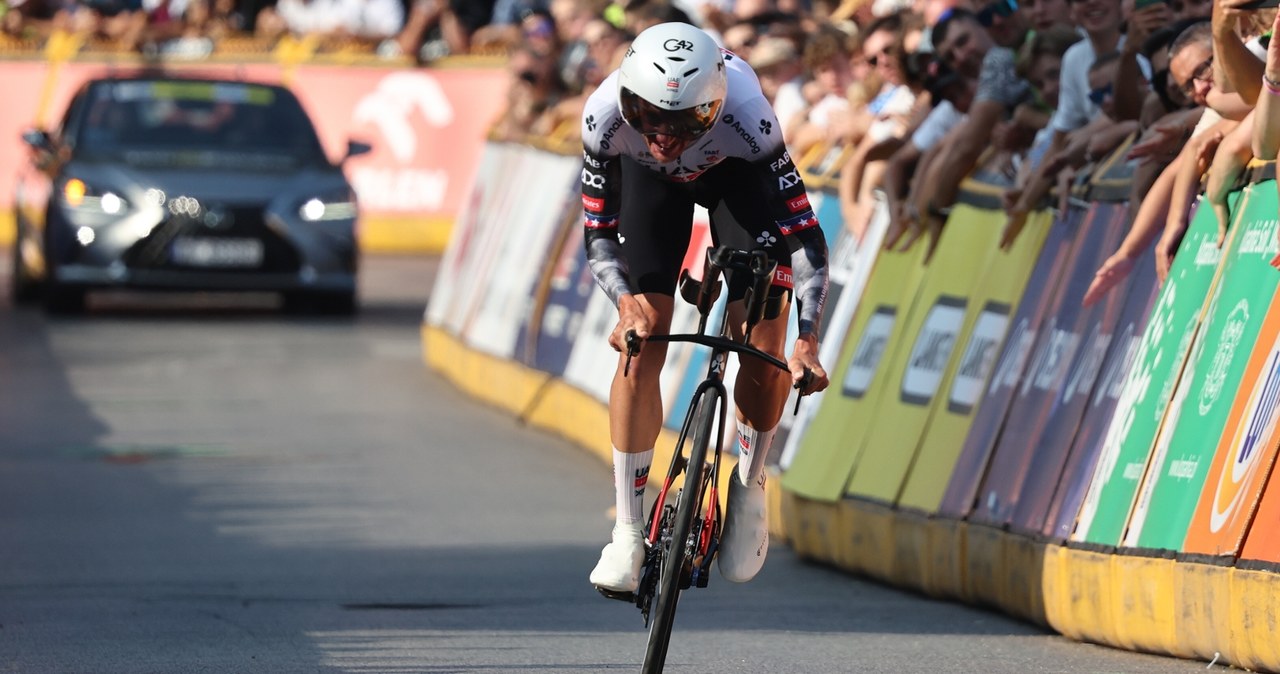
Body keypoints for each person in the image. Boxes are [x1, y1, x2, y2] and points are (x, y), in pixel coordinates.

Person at [580, 21, 831, 594]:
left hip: (735, 181)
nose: (664, 135)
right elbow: (598, 234)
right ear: (627, 99)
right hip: (650, 187)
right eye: (648, 116)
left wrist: (807, 339)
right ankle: (626, 528)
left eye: (686, 120)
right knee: (642, 341)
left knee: (761, 345)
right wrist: (624, 305)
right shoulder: (605, 117)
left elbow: (807, 239)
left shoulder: (749, 117)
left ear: (715, 106)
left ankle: (748, 482)